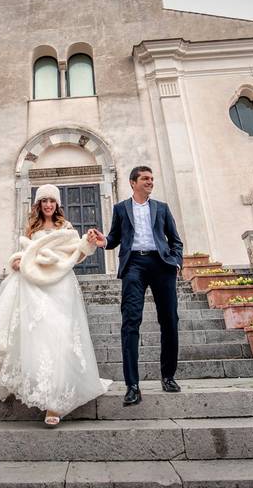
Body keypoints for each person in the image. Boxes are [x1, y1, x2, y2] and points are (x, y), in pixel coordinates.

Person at [0, 184, 112, 426]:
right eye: (44, 200)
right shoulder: (32, 228)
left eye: (52, 201)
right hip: (34, 286)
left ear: (57, 204)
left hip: (60, 286)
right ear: (38, 204)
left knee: (60, 336)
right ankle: (42, 392)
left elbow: (76, 256)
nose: (48, 204)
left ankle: (54, 403)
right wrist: (17, 261)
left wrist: (87, 243)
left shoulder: (65, 228)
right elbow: (23, 253)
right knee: (39, 336)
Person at [88, 165, 183, 406]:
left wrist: (176, 263)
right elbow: (115, 238)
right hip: (134, 266)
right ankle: (132, 385)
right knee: (130, 322)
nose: (150, 182)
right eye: (145, 179)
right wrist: (103, 242)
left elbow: (175, 240)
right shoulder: (121, 209)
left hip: (162, 265)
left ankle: (168, 376)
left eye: (151, 179)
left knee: (170, 320)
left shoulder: (161, 208)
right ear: (133, 183)